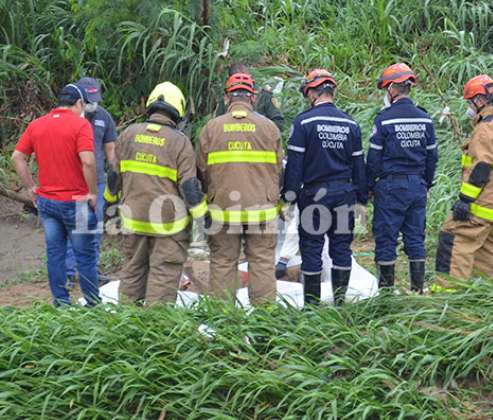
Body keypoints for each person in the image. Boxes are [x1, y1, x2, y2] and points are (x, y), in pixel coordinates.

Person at [104, 82, 206, 305]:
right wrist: (202, 217)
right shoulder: (180, 143)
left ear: (151, 106)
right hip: (168, 225)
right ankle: (154, 330)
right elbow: (189, 187)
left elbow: (113, 177)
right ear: (177, 111)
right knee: (164, 276)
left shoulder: (128, 135)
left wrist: (108, 204)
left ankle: (127, 325)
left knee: (132, 272)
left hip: (133, 219)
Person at [282, 69, 367, 306]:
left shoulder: (304, 122)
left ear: (311, 93)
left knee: (311, 250)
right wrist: (362, 195)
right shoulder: (350, 123)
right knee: (341, 248)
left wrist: (288, 196)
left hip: (314, 196)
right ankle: (340, 305)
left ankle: (311, 308)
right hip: (344, 194)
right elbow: (359, 163)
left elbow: (295, 165)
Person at [197, 72, 282, 304]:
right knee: (262, 261)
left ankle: (223, 321)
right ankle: (264, 322)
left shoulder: (211, 128)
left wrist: (212, 194)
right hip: (261, 209)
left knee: (223, 262)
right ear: (252, 97)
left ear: (227, 98)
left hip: (223, 209)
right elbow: (278, 170)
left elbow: (202, 171)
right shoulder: (269, 128)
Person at [12, 83, 99, 307]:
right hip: (77, 202)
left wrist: (31, 187)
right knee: (86, 256)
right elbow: (88, 161)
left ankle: (61, 303)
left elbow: (17, 157)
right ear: (79, 103)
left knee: (55, 254)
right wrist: (92, 192)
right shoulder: (81, 125)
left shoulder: (37, 125)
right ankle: (93, 305)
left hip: (48, 202)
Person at [435, 75, 493, 279]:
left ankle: (448, 292)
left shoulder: (485, 129)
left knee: (452, 236)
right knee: (491, 252)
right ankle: (490, 296)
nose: (468, 107)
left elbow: (480, 168)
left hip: (484, 204)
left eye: (469, 102)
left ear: (479, 100)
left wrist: (465, 200)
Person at [366, 63, 438, 292]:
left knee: (387, 239)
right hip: (417, 185)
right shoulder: (424, 119)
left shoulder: (384, 119)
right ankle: (417, 290)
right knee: (415, 238)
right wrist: (426, 182)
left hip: (390, 186)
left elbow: (374, 158)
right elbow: (432, 156)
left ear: (393, 89)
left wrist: (369, 186)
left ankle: (386, 294)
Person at [64, 77, 118, 287]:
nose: (93, 103)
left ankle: (90, 271)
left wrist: (115, 177)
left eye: (96, 99)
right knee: (73, 227)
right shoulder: (70, 117)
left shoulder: (104, 117)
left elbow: (111, 150)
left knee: (94, 227)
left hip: (98, 183)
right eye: (89, 99)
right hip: (73, 181)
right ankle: (69, 272)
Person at [214, 63, 285, 130]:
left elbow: (278, 123)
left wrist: (259, 130)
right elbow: (217, 125)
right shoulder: (226, 99)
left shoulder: (264, 96)